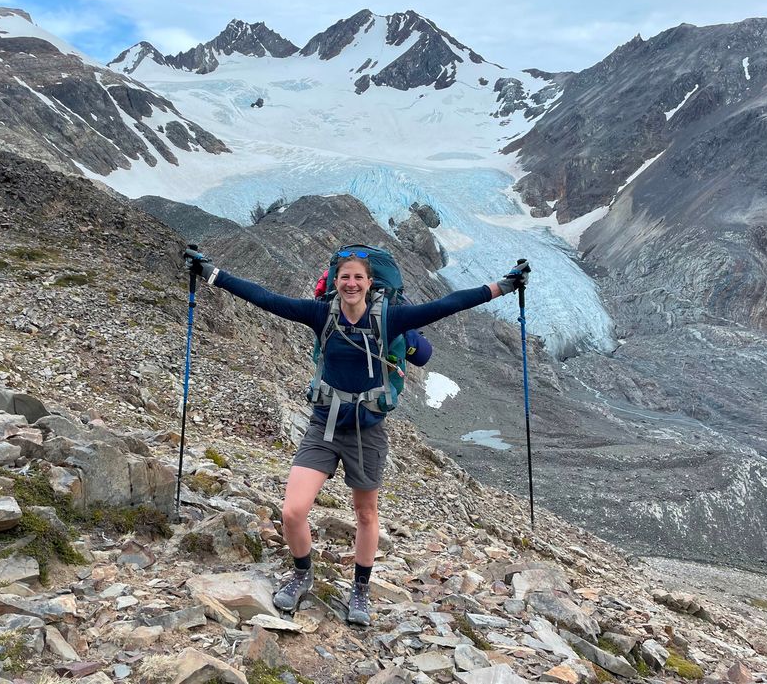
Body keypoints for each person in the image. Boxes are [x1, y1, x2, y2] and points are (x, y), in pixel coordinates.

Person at [188, 248, 527, 625]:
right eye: (344, 277)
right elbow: (265, 298)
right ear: (336, 282)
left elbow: (450, 304)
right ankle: (302, 574)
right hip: (324, 425)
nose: (350, 284)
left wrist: (503, 286)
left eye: (358, 278)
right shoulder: (321, 314)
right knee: (292, 511)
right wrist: (211, 274)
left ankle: (361, 590)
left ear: (368, 284)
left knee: (366, 513)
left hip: (367, 430)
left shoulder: (390, 319)